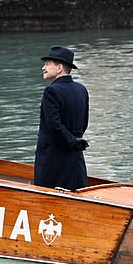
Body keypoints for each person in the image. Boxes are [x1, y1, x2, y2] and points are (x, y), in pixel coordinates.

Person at [34, 45, 89, 191]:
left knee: (48, 200)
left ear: (59, 68)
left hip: (53, 161)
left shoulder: (51, 91)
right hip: (75, 160)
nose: (43, 68)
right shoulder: (81, 90)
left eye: (47, 64)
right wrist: (75, 142)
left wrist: (71, 142)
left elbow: (54, 126)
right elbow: (84, 124)